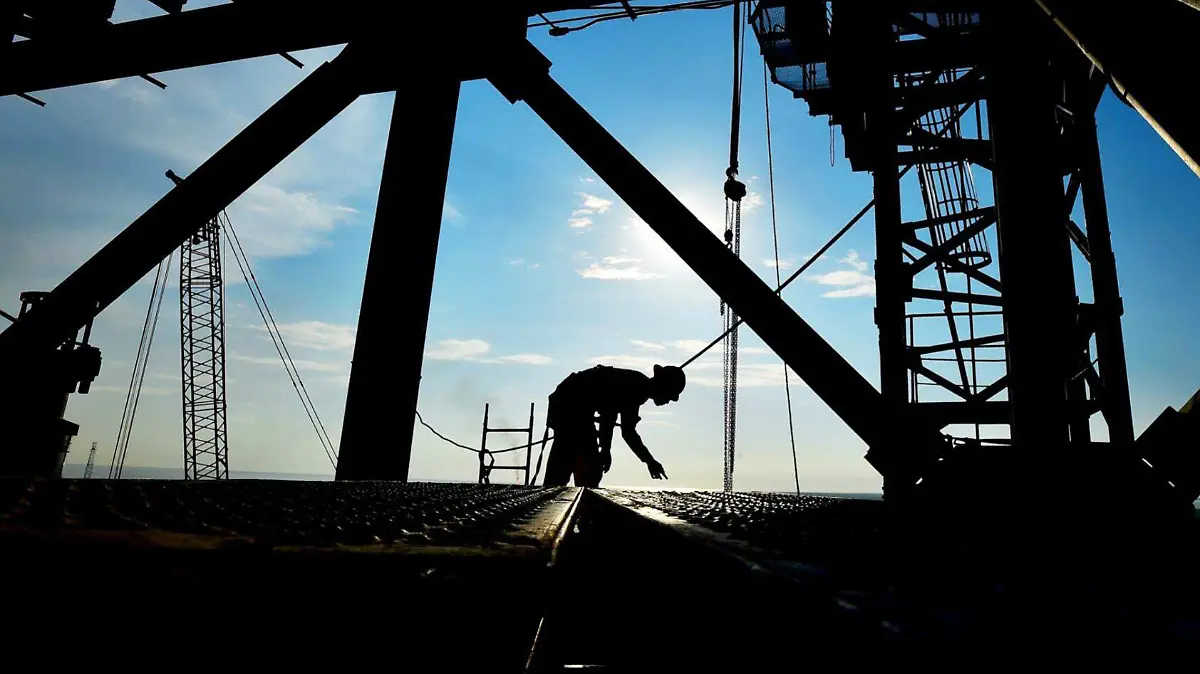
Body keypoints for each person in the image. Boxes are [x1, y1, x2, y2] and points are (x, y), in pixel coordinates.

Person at [541, 363, 685, 488]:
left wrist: (649, 461)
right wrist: (605, 449)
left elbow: (627, 431)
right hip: (569, 404)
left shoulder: (638, 387)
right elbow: (609, 415)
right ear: (663, 386)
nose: (668, 401)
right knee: (584, 465)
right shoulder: (636, 387)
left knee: (578, 461)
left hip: (567, 402)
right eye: (670, 394)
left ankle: (554, 490)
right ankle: (555, 493)